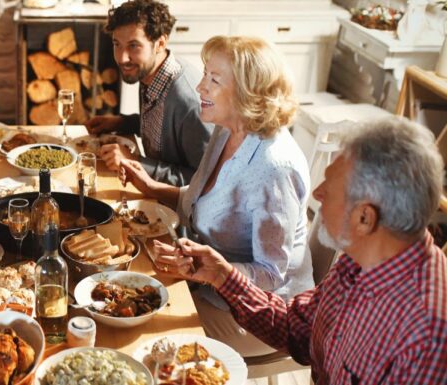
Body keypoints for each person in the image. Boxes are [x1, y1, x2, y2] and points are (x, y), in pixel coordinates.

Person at [163, 116, 447, 384]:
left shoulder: (427, 335)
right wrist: (222, 276)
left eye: (331, 187)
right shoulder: (362, 260)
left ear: (365, 218)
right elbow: (296, 329)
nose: (317, 193)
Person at [121, 35, 313, 357]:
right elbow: (207, 201)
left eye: (214, 79)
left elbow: (270, 274)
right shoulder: (227, 129)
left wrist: (210, 273)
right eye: (204, 75)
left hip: (260, 314)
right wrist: (154, 190)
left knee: (143, 330)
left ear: (249, 91)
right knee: (126, 289)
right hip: (209, 283)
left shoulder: (273, 167)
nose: (200, 87)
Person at [86, 0, 213, 186]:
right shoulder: (150, 73)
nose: (122, 58)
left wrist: (136, 162)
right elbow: (160, 127)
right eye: (117, 44)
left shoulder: (189, 103)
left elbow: (206, 181)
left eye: (133, 46)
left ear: (160, 43)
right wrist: (121, 122)